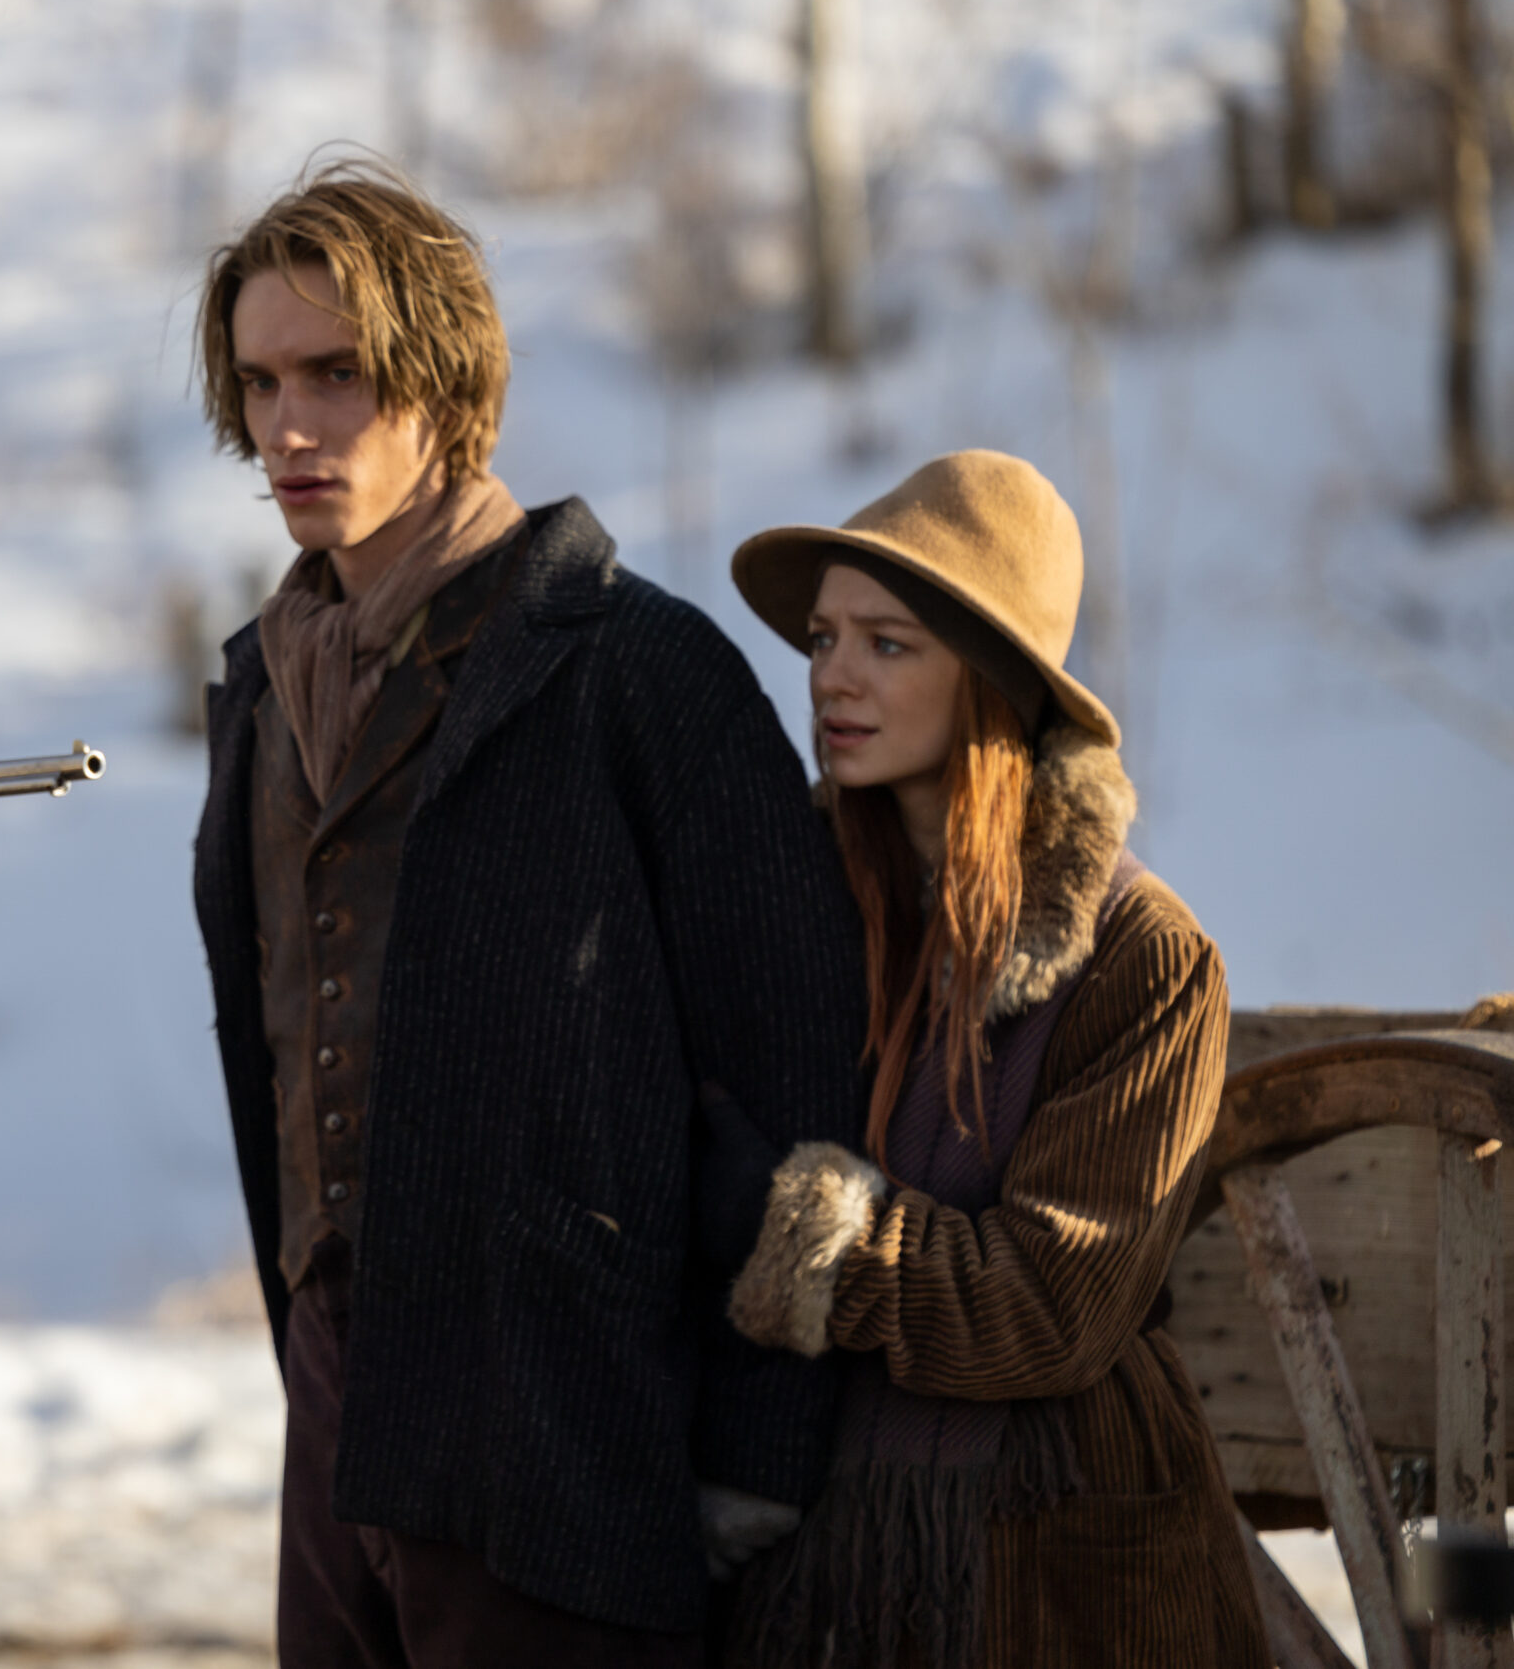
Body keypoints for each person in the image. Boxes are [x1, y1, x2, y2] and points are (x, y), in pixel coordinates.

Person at [188, 163, 868, 1666]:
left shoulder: (637, 668)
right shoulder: (263, 692)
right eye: (259, 382)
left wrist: (756, 1452)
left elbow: (800, 1069)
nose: (289, 426)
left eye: (338, 375)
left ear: (443, 379)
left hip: (566, 1419)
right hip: (335, 1396)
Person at [718, 450, 1272, 1668]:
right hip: (823, 1547)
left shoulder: (1146, 959)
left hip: (1054, 1555)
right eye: (820, 641)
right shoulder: (797, 907)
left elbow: (1050, 1306)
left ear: (995, 682)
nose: (833, 679)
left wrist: (802, 1239)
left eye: (888, 644)